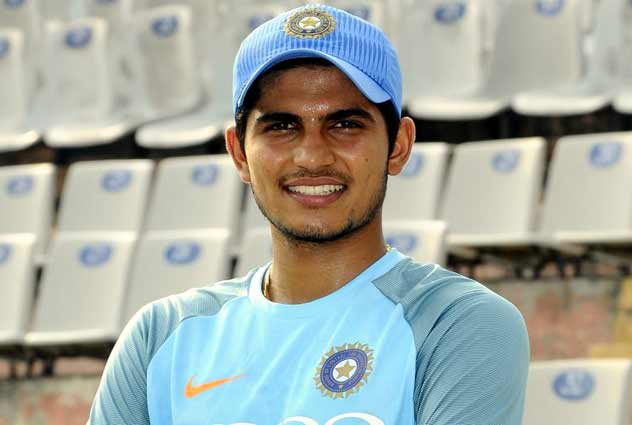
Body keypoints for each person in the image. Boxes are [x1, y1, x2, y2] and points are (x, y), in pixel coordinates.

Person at [88, 5, 529, 424]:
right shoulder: (161, 336)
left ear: (398, 145)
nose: (312, 156)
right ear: (239, 153)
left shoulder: (457, 323)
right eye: (282, 126)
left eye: (345, 124)